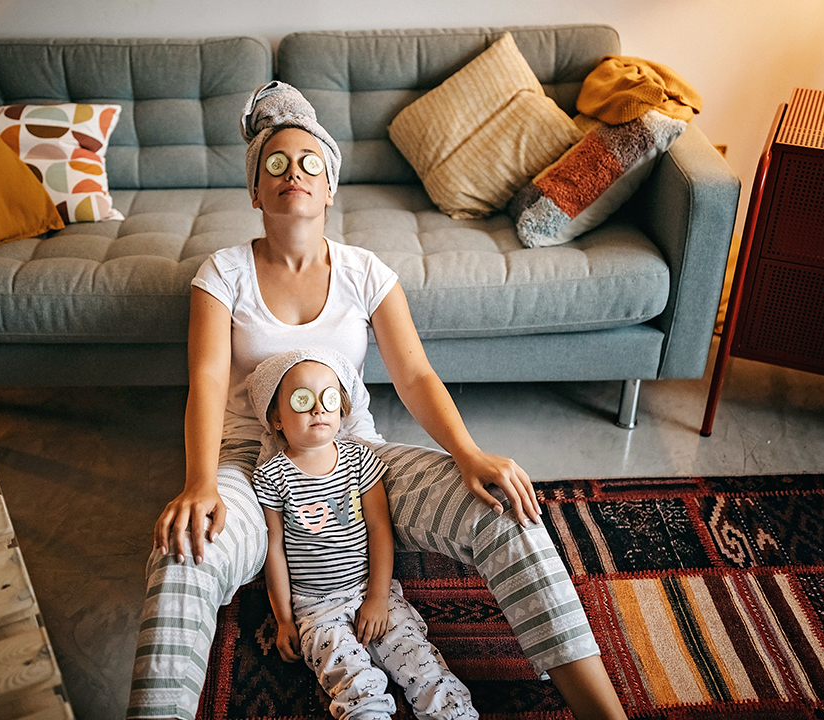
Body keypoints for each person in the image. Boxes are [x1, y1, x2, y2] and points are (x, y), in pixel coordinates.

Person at [128, 80, 627, 720]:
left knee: (507, 508)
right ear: (256, 190)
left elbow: (415, 375)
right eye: (276, 164)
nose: (295, 174)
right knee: (181, 554)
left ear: (330, 187)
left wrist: (469, 453)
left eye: (311, 163)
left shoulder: (367, 272)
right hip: (247, 473)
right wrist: (200, 482)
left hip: (359, 462)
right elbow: (206, 382)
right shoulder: (223, 274)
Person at [248, 348, 478, 719]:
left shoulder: (360, 460)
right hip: (316, 607)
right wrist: (285, 619)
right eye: (302, 400)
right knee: (353, 684)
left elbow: (379, 530)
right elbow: (274, 549)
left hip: (369, 589)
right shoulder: (272, 476)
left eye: (329, 398)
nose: (318, 409)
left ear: (341, 409)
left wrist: (376, 597)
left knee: (420, 662)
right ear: (276, 417)